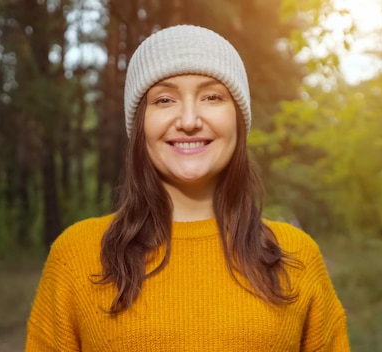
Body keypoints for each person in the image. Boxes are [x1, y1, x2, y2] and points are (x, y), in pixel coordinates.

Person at [25, 24, 350, 351]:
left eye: (212, 96)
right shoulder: (76, 256)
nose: (190, 119)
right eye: (164, 99)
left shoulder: (296, 256)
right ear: (140, 125)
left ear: (237, 118)